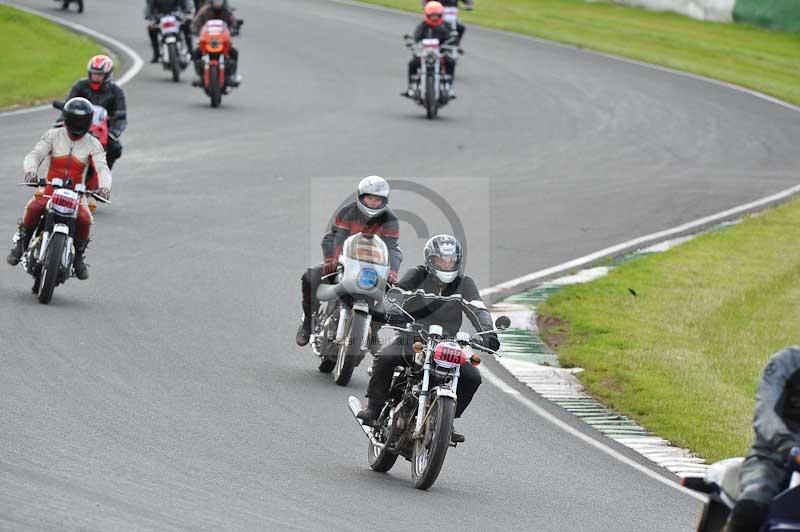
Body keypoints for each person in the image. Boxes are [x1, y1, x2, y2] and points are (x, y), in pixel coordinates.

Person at [357, 234, 500, 443]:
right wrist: (393, 311)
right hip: (414, 335)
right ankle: (374, 407)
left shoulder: (464, 283)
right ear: (430, 260)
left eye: (450, 260)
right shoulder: (417, 274)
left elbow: (478, 309)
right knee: (385, 357)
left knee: (472, 377)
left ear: (457, 261)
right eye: (441, 260)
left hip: (449, 343)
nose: (446, 264)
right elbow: (397, 293)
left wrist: (488, 332)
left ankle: (446, 420)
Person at [7, 98, 111, 280]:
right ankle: (21, 244)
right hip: (49, 187)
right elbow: (35, 154)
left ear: (88, 121)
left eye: (82, 120)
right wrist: (31, 172)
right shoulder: (53, 135)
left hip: (77, 193)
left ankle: (78, 257)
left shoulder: (93, 143)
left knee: (85, 219)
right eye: (74, 119)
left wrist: (104, 187)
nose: (78, 124)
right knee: (34, 207)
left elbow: (103, 167)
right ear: (67, 118)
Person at [296, 176, 402, 347]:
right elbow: (332, 237)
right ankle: (308, 321)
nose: (373, 202)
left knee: (391, 298)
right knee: (310, 277)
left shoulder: (390, 219)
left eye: (378, 199)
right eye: (370, 198)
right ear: (361, 197)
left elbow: (393, 248)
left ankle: (372, 333)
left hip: (374, 270)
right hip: (344, 262)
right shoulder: (347, 211)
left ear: (385, 201)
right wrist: (331, 259)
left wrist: (392, 272)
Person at [725, 347, 800, 532]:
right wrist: (786, 443)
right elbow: (765, 412)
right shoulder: (786, 362)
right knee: (749, 510)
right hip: (773, 458)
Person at [60, 55, 127, 169]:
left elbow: (121, 115)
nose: (95, 76)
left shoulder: (116, 91)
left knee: (115, 149)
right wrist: (61, 121)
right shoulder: (80, 86)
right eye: (93, 73)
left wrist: (114, 133)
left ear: (107, 75)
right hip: (78, 124)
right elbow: (68, 105)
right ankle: (51, 173)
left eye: (99, 74)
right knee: (53, 139)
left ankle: (104, 175)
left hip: (103, 130)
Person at [405, 1, 457, 99]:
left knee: (451, 62)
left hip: (441, 53)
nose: (434, 17)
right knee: (412, 63)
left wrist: (451, 42)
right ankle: (411, 87)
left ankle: (449, 87)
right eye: (432, 15)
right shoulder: (423, 25)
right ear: (427, 15)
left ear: (441, 15)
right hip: (425, 53)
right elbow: (416, 37)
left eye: (436, 15)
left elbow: (452, 37)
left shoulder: (446, 25)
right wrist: (412, 42)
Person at [191, 0, 241, 85]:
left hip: (222, 41)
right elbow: (196, 22)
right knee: (196, 53)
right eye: (215, 0)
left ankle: (234, 75)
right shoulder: (205, 10)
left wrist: (236, 27)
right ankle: (198, 75)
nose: (217, 2)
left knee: (234, 53)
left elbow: (233, 21)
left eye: (219, 1)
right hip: (208, 41)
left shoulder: (227, 11)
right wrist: (194, 29)